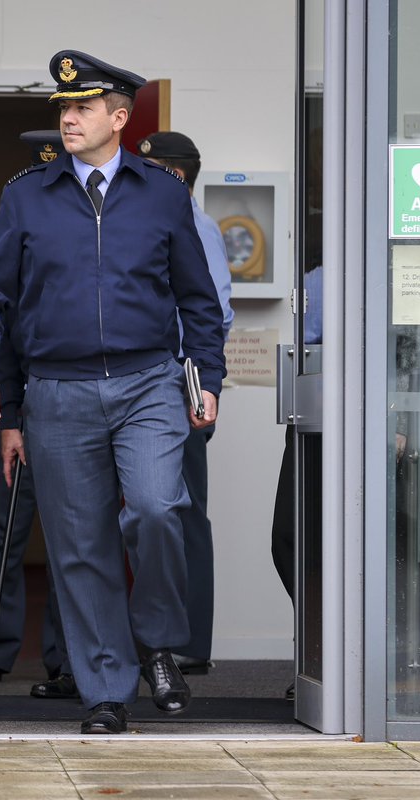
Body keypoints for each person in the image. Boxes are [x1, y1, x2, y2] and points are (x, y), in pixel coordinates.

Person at [0, 50, 226, 735]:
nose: (69, 118)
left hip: (148, 383)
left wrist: (207, 380)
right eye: (63, 108)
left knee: (158, 510)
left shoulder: (162, 194)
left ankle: (157, 641)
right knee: (80, 548)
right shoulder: (26, 196)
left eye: (83, 107)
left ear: (120, 117)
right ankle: (106, 690)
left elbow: (199, 301)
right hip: (58, 390)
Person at [0, 129, 76, 701]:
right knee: (4, 533)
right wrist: (5, 413)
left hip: (72, 407)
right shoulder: (10, 234)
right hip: (10, 407)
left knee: (73, 538)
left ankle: (67, 658)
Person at [137, 131, 235, 675]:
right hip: (146, 382)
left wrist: (195, 385)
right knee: (153, 511)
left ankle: (191, 641)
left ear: (174, 176)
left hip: (179, 381)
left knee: (183, 510)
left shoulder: (196, 225)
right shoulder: (160, 217)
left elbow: (214, 312)